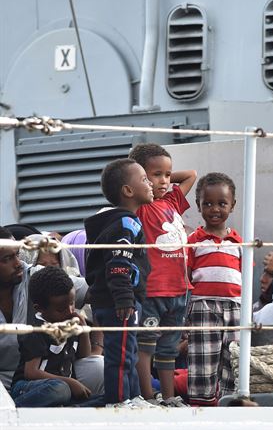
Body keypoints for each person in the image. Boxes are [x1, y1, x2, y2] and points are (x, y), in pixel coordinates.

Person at [128, 143, 196, 407]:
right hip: (154, 291)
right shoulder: (142, 206)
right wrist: (145, 182)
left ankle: (169, 397)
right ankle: (148, 396)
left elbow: (191, 174)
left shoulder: (172, 201)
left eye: (167, 175)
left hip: (180, 290)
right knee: (146, 346)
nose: (165, 181)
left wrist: (164, 179)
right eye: (156, 175)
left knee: (168, 347)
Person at [84, 158, 155, 408]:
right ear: (128, 190)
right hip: (119, 302)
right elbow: (118, 263)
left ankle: (133, 398)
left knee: (129, 353)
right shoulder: (126, 223)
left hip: (116, 300)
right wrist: (125, 298)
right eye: (145, 179)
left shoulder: (117, 221)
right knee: (120, 355)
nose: (151, 184)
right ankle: (120, 404)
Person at [10, 266, 102, 407]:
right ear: (39, 308)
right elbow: (31, 372)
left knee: (104, 399)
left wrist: (83, 331)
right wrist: (70, 382)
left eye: (72, 303)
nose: (70, 311)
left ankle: (67, 409)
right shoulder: (36, 330)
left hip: (62, 387)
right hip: (28, 387)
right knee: (60, 390)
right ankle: (13, 409)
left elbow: (84, 355)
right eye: (61, 309)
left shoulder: (68, 322)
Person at [186, 172, 241, 405]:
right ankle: (202, 405)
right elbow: (186, 277)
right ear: (198, 206)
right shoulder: (194, 241)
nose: (214, 209)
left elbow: (244, 277)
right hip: (203, 306)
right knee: (203, 359)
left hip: (235, 307)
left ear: (232, 205)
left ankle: (229, 403)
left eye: (221, 203)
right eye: (207, 203)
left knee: (233, 359)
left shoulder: (239, 243)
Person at [0, 226, 30, 392]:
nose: (18, 263)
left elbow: (94, 292)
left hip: (38, 376)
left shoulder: (33, 276)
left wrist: (97, 347)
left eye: (17, 254)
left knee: (96, 368)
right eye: (8, 259)